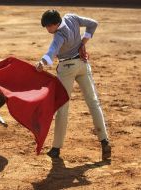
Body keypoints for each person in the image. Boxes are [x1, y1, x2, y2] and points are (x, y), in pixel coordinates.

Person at [35, 10, 111, 160]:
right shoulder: (71, 17)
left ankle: (56, 148)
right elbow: (93, 24)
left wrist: (42, 62)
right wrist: (83, 42)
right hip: (83, 64)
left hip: (67, 69)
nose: (47, 30)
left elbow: (52, 51)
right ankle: (104, 141)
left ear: (55, 24)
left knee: (62, 107)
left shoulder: (59, 35)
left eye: (48, 27)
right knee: (94, 103)